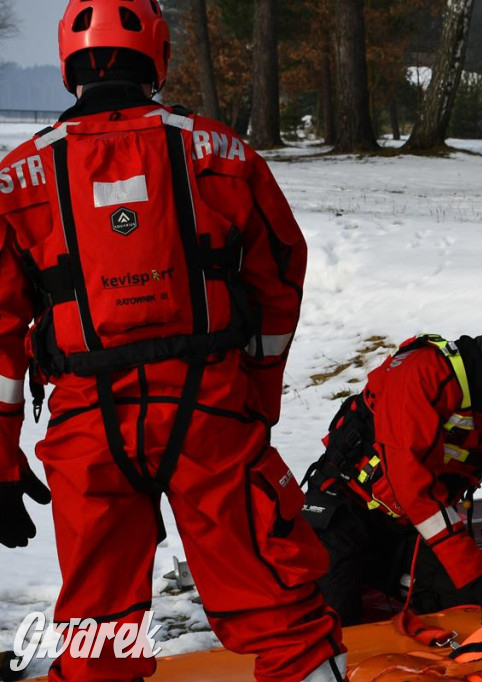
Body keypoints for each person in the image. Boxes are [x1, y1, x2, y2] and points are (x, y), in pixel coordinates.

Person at [0, 1, 345, 679]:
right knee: (279, 610)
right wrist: (257, 393)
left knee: (97, 633)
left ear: (70, 63)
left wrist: (3, 458)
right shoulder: (221, 152)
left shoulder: (16, 179)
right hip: (211, 415)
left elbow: (1, 334)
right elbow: (281, 273)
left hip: (87, 429)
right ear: (157, 55)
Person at [302, 309, 482, 624]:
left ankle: (382, 570)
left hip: (412, 527)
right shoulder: (421, 375)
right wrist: (476, 572)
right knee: (330, 621)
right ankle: (358, 567)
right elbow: (413, 486)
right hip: (346, 509)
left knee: (471, 610)